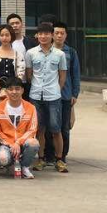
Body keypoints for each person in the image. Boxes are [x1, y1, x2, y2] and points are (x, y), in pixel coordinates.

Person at [26, 23, 67, 172]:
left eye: (46, 34)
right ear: (37, 35)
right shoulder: (30, 53)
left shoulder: (60, 54)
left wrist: (56, 90)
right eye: (40, 34)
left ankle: (59, 159)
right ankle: (41, 159)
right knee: (39, 130)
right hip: (36, 96)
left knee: (56, 129)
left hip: (54, 97)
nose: (43, 36)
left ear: (52, 35)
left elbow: (62, 76)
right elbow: (29, 75)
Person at [44, 21, 80, 169]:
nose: (59, 36)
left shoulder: (71, 52)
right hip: (48, 95)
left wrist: (75, 94)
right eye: (56, 33)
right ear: (52, 35)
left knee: (64, 128)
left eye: (62, 33)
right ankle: (49, 156)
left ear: (66, 35)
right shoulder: (46, 50)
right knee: (49, 127)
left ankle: (62, 156)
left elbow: (75, 74)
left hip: (65, 95)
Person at [0, 77, 39, 179]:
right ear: (6, 91)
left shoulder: (31, 108)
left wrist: (18, 142)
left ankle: (25, 166)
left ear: (22, 90)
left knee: (34, 143)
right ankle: (11, 164)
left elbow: (32, 129)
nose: (14, 92)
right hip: (7, 144)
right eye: (10, 89)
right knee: (2, 158)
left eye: (17, 89)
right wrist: (11, 144)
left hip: (23, 143)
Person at [0, 25, 26, 104]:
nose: (4, 38)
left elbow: (20, 73)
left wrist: (12, 90)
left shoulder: (18, 54)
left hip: (14, 92)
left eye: (7, 35)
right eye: (2, 35)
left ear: (11, 36)